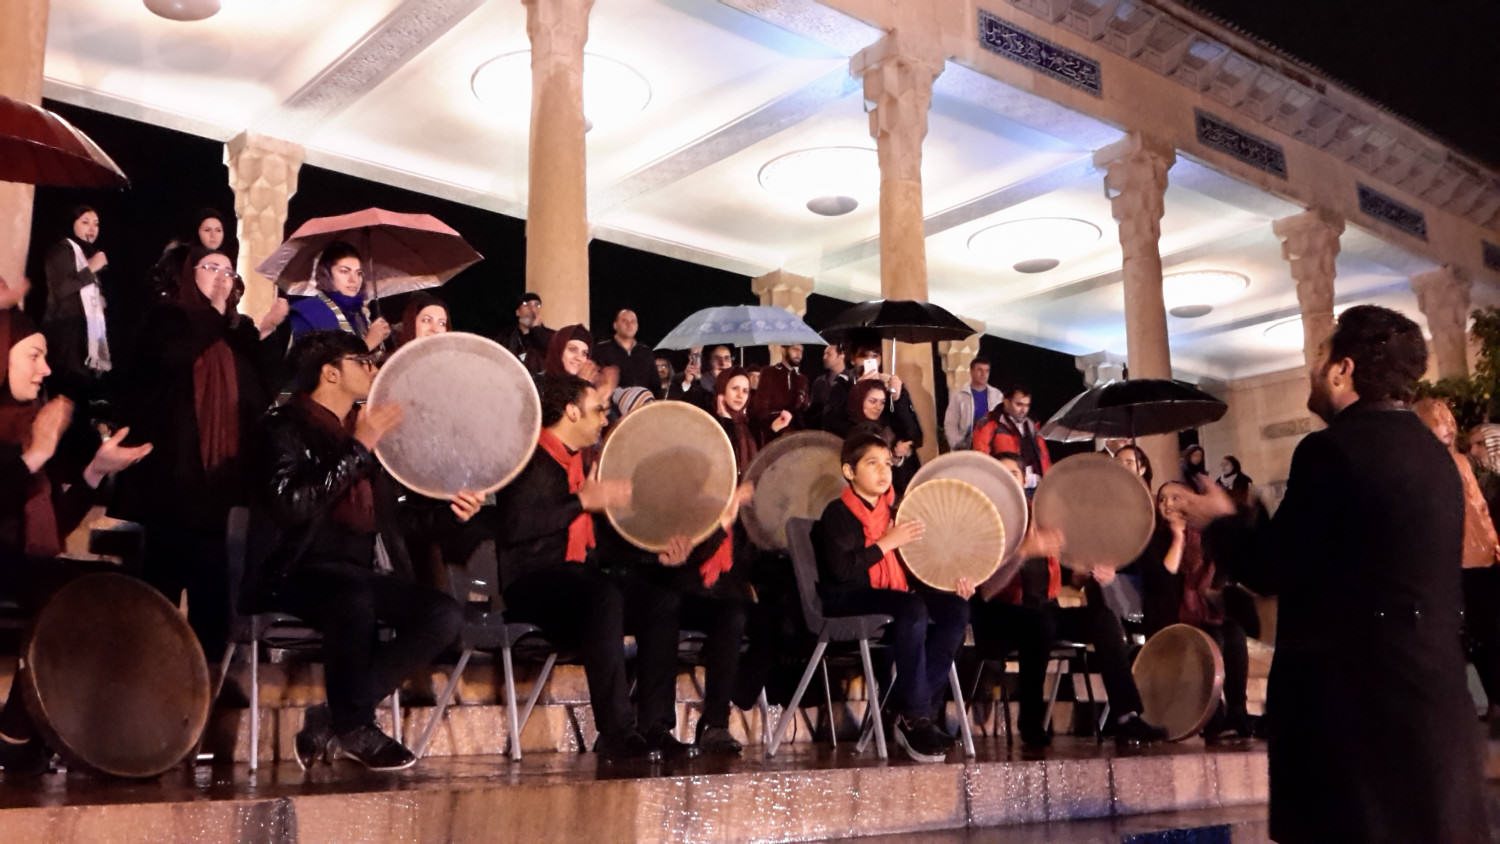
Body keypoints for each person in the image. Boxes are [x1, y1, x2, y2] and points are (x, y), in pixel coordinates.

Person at [1179, 305, 1487, 843]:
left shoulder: (1330, 450)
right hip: (1432, 704)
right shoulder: (1434, 456)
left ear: (1343, 370)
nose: (1311, 369)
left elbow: (1274, 566)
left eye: (1319, 357)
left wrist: (1222, 522)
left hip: (1356, 715)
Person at [248, 331, 464, 771]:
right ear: (330, 372)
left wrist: (455, 513)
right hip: (293, 570)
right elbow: (292, 505)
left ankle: (336, 718)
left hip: (356, 571)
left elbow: (397, 522)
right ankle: (357, 726)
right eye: (362, 361)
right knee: (353, 598)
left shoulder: (362, 432)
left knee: (442, 614)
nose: (373, 369)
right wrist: (358, 449)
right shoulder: (281, 426)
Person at [110, 246, 291, 670]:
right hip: (171, 484)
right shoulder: (168, 318)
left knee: (212, 605)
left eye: (229, 271)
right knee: (159, 596)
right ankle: (146, 686)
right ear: (189, 275)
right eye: (211, 267)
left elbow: (261, 396)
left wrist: (264, 332)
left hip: (218, 490)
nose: (222, 276)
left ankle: (204, 689)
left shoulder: (233, 335)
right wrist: (215, 312)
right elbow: (170, 359)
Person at [493, 374, 681, 761]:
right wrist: (581, 502)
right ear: (571, 411)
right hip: (534, 583)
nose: (604, 419)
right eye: (598, 410)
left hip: (582, 581)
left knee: (659, 597)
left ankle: (656, 727)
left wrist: (654, 555)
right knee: (602, 593)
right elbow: (514, 527)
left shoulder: (583, 463)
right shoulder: (528, 459)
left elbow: (600, 543)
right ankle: (615, 731)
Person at [0, 309, 154, 773]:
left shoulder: (27, 423)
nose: (45, 369)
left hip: (17, 566)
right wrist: (33, 458)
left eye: (45, 357)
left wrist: (94, 472)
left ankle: (24, 734)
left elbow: (49, 528)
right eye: (33, 355)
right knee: (63, 595)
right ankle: (17, 736)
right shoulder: (26, 437)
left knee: (107, 591)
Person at [970, 452, 1166, 748]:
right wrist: (1023, 552)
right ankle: (1032, 722)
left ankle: (1126, 716)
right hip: (998, 615)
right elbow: (985, 590)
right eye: (1001, 473)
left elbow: (1069, 573)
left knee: (1101, 618)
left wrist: (1092, 572)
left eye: (1014, 473)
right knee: (1038, 624)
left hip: (1044, 612)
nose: (1008, 479)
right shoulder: (983, 521)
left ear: (1024, 480)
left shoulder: (1041, 517)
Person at [814, 432, 972, 763]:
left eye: (888, 463)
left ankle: (912, 709)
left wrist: (951, 581)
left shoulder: (897, 512)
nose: (883, 471)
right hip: (848, 599)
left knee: (955, 609)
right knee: (910, 607)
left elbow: (921, 565)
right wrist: (887, 542)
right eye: (872, 464)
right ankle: (915, 716)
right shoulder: (837, 513)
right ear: (849, 471)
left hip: (895, 598)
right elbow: (843, 571)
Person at [1136, 482, 1252, 740]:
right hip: (1169, 619)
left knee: (1233, 631)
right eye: (1163, 499)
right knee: (1215, 637)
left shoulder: (1207, 537)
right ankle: (1212, 711)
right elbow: (1164, 578)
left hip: (1206, 614)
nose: (1168, 504)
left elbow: (1222, 573)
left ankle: (1237, 710)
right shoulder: (1152, 537)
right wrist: (1178, 537)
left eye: (1176, 498)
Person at [1414, 398, 1500, 732]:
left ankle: (1494, 700)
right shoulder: (1428, 465)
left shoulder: (1459, 464)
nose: (1448, 426)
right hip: (1454, 564)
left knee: (1485, 632)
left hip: (1476, 563)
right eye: (1439, 421)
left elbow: (1478, 512)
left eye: (1449, 420)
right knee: (1472, 635)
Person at [41, 205, 112, 398]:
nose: (92, 229)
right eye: (85, 222)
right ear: (71, 223)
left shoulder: (85, 252)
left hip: (82, 335)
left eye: (96, 224)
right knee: (66, 392)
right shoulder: (61, 250)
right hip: (66, 334)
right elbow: (61, 288)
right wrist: (92, 268)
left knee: (82, 395)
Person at [288, 241, 391, 351]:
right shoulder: (309, 311)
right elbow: (319, 364)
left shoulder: (358, 312)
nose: (353, 280)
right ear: (326, 275)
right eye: (344, 271)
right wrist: (369, 342)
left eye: (359, 273)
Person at [847, 378, 922, 495]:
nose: (878, 407)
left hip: (894, 491)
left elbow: (914, 434)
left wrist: (898, 455)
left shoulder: (887, 426)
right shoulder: (850, 429)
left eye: (882, 402)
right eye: (872, 401)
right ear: (859, 400)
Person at [973, 385, 1050, 492]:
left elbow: (1044, 456)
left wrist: (1048, 481)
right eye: (1019, 404)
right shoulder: (989, 424)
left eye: (1027, 405)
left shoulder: (1032, 423)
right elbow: (981, 460)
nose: (1024, 410)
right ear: (1006, 401)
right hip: (1007, 486)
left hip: (1035, 484)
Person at [749, 344, 810, 442]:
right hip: (775, 436)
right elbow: (760, 409)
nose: (799, 354)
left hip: (797, 439)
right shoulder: (769, 373)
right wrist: (776, 422)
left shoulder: (802, 379)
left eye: (801, 351)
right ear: (783, 350)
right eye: (795, 349)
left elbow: (804, 409)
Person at [942, 356, 1001, 451]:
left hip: (991, 447)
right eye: (979, 370)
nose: (983, 374)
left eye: (987, 371)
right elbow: (950, 423)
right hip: (967, 447)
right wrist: (957, 443)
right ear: (971, 371)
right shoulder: (959, 396)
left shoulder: (997, 395)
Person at [593, 309, 655, 391]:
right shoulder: (601, 350)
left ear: (637, 326)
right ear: (615, 325)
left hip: (644, 401)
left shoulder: (645, 352)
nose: (629, 325)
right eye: (624, 321)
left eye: (633, 321)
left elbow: (654, 384)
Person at [501, 292, 553, 375]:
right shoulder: (506, 339)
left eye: (537, 305)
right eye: (526, 304)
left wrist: (537, 330)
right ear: (517, 312)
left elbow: (552, 352)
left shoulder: (552, 336)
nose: (532, 308)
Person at [806, 343, 845, 431]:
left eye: (829, 354)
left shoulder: (851, 380)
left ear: (841, 356)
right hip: (823, 431)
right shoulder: (819, 382)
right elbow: (814, 409)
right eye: (824, 354)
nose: (824, 357)